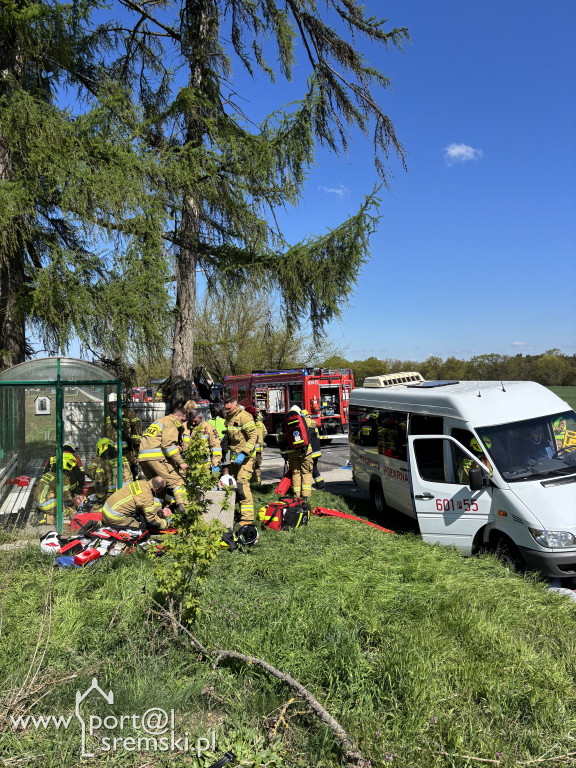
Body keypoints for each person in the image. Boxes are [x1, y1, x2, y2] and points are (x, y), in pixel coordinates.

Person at [138, 402, 189, 508]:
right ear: (176, 415)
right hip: (156, 459)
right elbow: (167, 446)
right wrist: (181, 462)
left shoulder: (159, 422)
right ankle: (184, 509)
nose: (182, 423)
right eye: (182, 420)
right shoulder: (171, 423)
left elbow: (158, 441)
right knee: (177, 482)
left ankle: (157, 511)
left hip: (144, 460)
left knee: (158, 487)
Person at [224, 395, 258, 530]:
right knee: (232, 486)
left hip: (246, 458)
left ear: (236, 405)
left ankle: (247, 518)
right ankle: (232, 512)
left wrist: (244, 453)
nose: (227, 411)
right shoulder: (229, 417)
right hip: (234, 459)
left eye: (229, 409)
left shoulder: (245, 417)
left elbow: (253, 437)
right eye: (225, 409)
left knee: (242, 485)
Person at [101, 476, 171, 531]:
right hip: (113, 516)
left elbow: (143, 501)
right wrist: (167, 524)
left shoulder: (141, 482)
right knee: (138, 527)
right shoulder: (147, 498)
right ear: (157, 489)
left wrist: (159, 509)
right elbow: (152, 519)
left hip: (105, 510)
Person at [34, 453, 84, 526]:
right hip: (46, 503)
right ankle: (45, 518)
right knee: (71, 513)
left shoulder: (50, 473)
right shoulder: (62, 477)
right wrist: (77, 505)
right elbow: (67, 499)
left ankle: (42, 512)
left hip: (38, 502)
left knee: (65, 507)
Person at [278, 405, 315, 501]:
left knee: (295, 473)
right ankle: (306, 495)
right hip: (305, 451)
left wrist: (284, 454)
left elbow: (281, 440)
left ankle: (296, 495)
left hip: (292, 453)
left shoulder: (284, 424)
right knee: (306, 472)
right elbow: (315, 424)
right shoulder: (303, 419)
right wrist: (306, 417)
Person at [102, 393, 142, 480]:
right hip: (113, 450)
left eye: (114, 403)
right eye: (111, 404)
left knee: (132, 468)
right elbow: (103, 432)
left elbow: (137, 427)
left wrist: (135, 443)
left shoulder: (129, 413)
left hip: (128, 450)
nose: (113, 406)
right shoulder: (108, 416)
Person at [185, 407, 222, 473]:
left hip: (204, 467)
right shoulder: (184, 427)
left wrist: (215, 463)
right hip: (187, 465)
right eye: (191, 421)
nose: (193, 423)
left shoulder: (209, 428)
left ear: (201, 418)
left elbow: (216, 446)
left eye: (195, 421)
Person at [245, 405, 267, 483]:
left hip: (250, 449)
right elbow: (265, 432)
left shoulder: (247, 424)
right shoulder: (259, 424)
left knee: (249, 466)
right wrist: (261, 440)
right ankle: (258, 483)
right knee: (257, 467)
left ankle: (251, 483)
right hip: (259, 449)